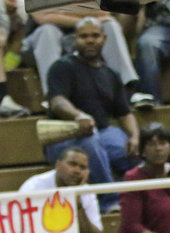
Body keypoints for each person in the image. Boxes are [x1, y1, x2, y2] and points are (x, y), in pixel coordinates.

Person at [45, 17, 140, 212]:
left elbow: (124, 113)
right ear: (75, 39)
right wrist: (78, 116)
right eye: (84, 36)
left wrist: (135, 137)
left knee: (134, 150)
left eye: (95, 36)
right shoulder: (62, 66)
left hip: (103, 133)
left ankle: (138, 202)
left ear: (104, 39)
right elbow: (57, 101)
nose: (89, 40)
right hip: (64, 137)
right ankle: (110, 202)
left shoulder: (111, 73)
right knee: (91, 140)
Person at [20, 7, 153, 105]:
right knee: (47, 31)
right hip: (40, 42)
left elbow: (104, 13)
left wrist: (59, 12)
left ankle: (126, 90)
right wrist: (84, 17)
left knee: (110, 26)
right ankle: (55, 98)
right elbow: (42, 17)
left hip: (78, 37)